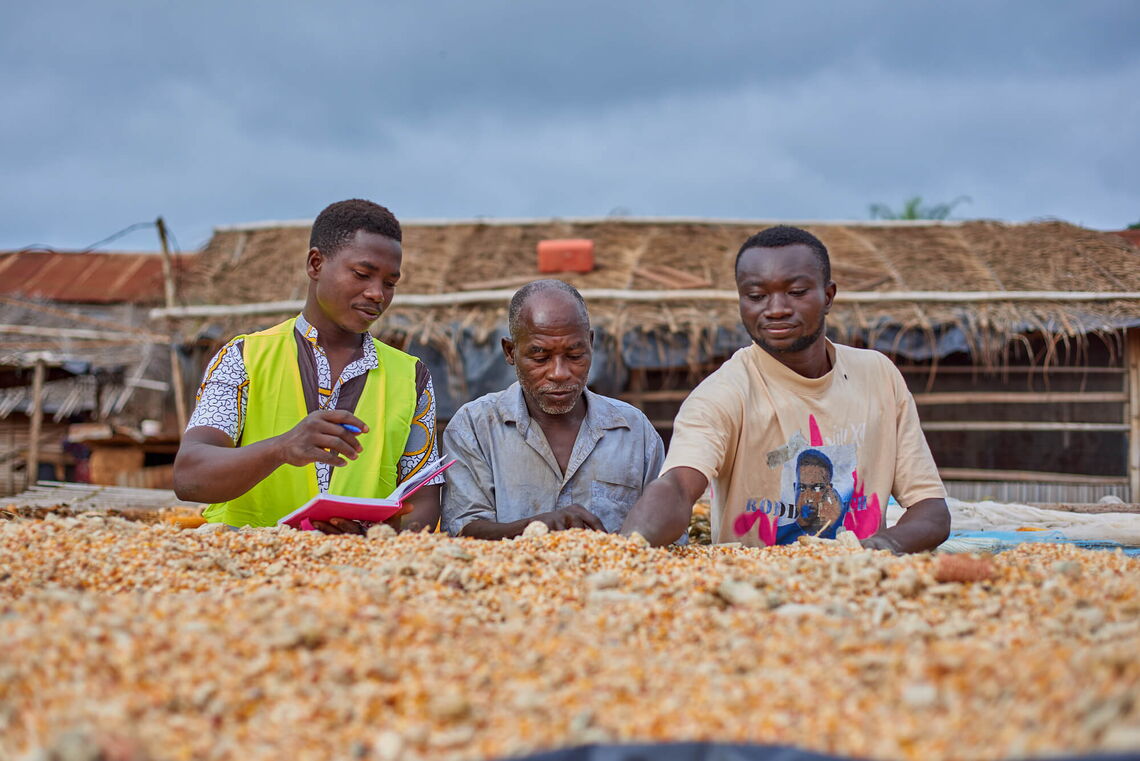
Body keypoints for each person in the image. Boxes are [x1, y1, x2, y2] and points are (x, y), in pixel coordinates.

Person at [620, 225, 950, 552]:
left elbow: (931, 512)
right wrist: (628, 550)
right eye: (756, 296)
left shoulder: (878, 376)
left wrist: (873, 551)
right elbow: (677, 486)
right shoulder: (722, 394)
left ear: (828, 296)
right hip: (756, 588)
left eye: (795, 292)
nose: (776, 308)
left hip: (862, 586)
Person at [173, 199, 442, 533]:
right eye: (362, 274)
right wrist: (281, 448)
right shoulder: (243, 358)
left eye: (390, 283)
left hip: (360, 575)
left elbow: (425, 496)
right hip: (247, 567)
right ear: (315, 264)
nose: (377, 293)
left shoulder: (412, 377)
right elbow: (189, 476)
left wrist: (376, 539)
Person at [441, 280, 665, 539]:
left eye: (575, 355)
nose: (559, 373)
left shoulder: (634, 430)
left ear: (590, 344)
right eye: (540, 358)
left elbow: (664, 528)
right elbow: (463, 530)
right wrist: (538, 528)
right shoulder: (474, 427)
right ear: (510, 351)